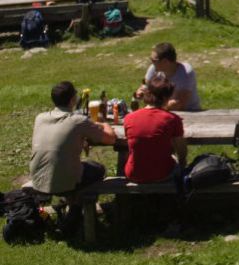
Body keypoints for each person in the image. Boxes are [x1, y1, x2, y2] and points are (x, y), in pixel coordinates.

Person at [28, 81, 116, 224]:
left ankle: (70, 204)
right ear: (73, 99)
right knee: (99, 170)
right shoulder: (78, 121)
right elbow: (110, 139)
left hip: (38, 177)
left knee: (70, 166)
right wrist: (104, 122)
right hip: (63, 181)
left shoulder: (40, 117)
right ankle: (76, 209)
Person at [123, 76, 187, 184]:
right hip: (162, 174)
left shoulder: (129, 118)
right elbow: (181, 150)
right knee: (175, 161)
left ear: (146, 94)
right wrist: (182, 162)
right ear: (167, 97)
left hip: (134, 173)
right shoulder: (172, 119)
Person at [137, 42, 202, 111]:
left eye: (153, 60)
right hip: (161, 110)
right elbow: (144, 87)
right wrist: (141, 92)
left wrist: (152, 105)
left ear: (165, 61)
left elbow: (179, 104)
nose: (151, 62)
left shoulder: (186, 72)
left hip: (188, 111)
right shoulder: (154, 68)